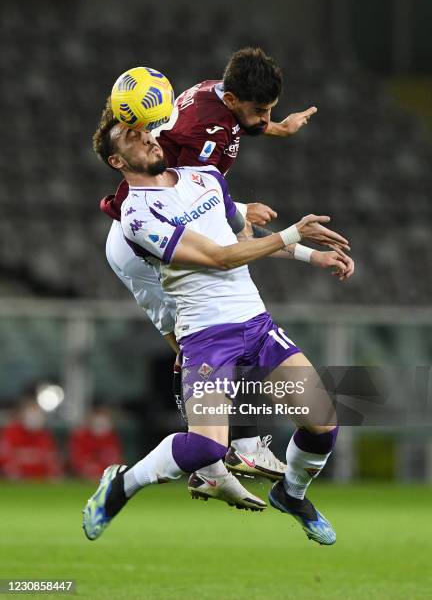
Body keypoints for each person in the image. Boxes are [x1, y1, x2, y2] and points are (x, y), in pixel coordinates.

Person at [83, 121, 354, 546]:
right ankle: (121, 484)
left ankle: (292, 494)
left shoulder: (204, 177)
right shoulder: (137, 216)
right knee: (207, 448)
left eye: (145, 132)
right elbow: (220, 257)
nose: (147, 138)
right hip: (207, 335)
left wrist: (307, 254)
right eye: (131, 138)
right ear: (117, 161)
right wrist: (291, 232)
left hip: (257, 323)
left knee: (323, 424)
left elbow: (242, 235)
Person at [100, 47, 322, 487]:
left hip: (139, 238)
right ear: (235, 100)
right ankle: (227, 451)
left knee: (204, 338)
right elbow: (172, 186)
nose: (265, 118)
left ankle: (214, 457)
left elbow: (194, 176)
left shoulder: (212, 94)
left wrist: (277, 127)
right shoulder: (202, 128)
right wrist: (245, 212)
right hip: (146, 239)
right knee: (218, 328)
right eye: (262, 111)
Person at [0, 399, 63, 480]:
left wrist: (54, 473)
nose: (34, 417)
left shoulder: (45, 436)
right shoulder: (11, 433)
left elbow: (52, 461)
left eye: (37, 414)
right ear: (22, 415)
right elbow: (4, 459)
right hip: (15, 483)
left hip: (40, 482)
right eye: (31, 413)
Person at [69, 407, 123, 480]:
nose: (101, 424)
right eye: (98, 423)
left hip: (106, 476)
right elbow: (77, 461)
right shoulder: (81, 436)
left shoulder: (112, 438)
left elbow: (116, 463)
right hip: (83, 478)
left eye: (103, 423)